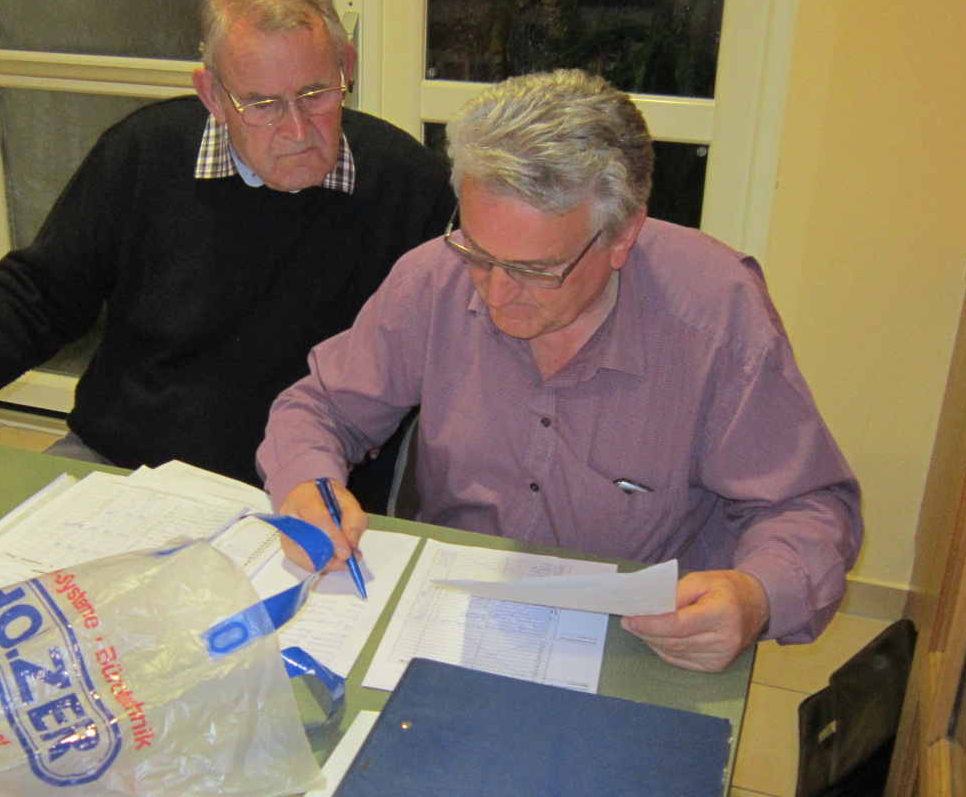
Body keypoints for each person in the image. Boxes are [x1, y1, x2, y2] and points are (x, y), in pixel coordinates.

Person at [259, 69, 862, 672]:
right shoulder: (433, 280)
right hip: (453, 611)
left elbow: (808, 505)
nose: (496, 294)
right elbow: (319, 408)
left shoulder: (714, 315)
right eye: (478, 253)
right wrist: (307, 485)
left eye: (535, 270)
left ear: (622, 234)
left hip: (643, 641)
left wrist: (755, 597)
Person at [0, 0, 453, 488]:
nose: (296, 129)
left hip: (311, 487)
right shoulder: (146, 154)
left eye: (316, 93)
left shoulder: (412, 187)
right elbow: (41, 294)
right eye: (263, 104)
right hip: (123, 466)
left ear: (346, 66)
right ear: (212, 96)